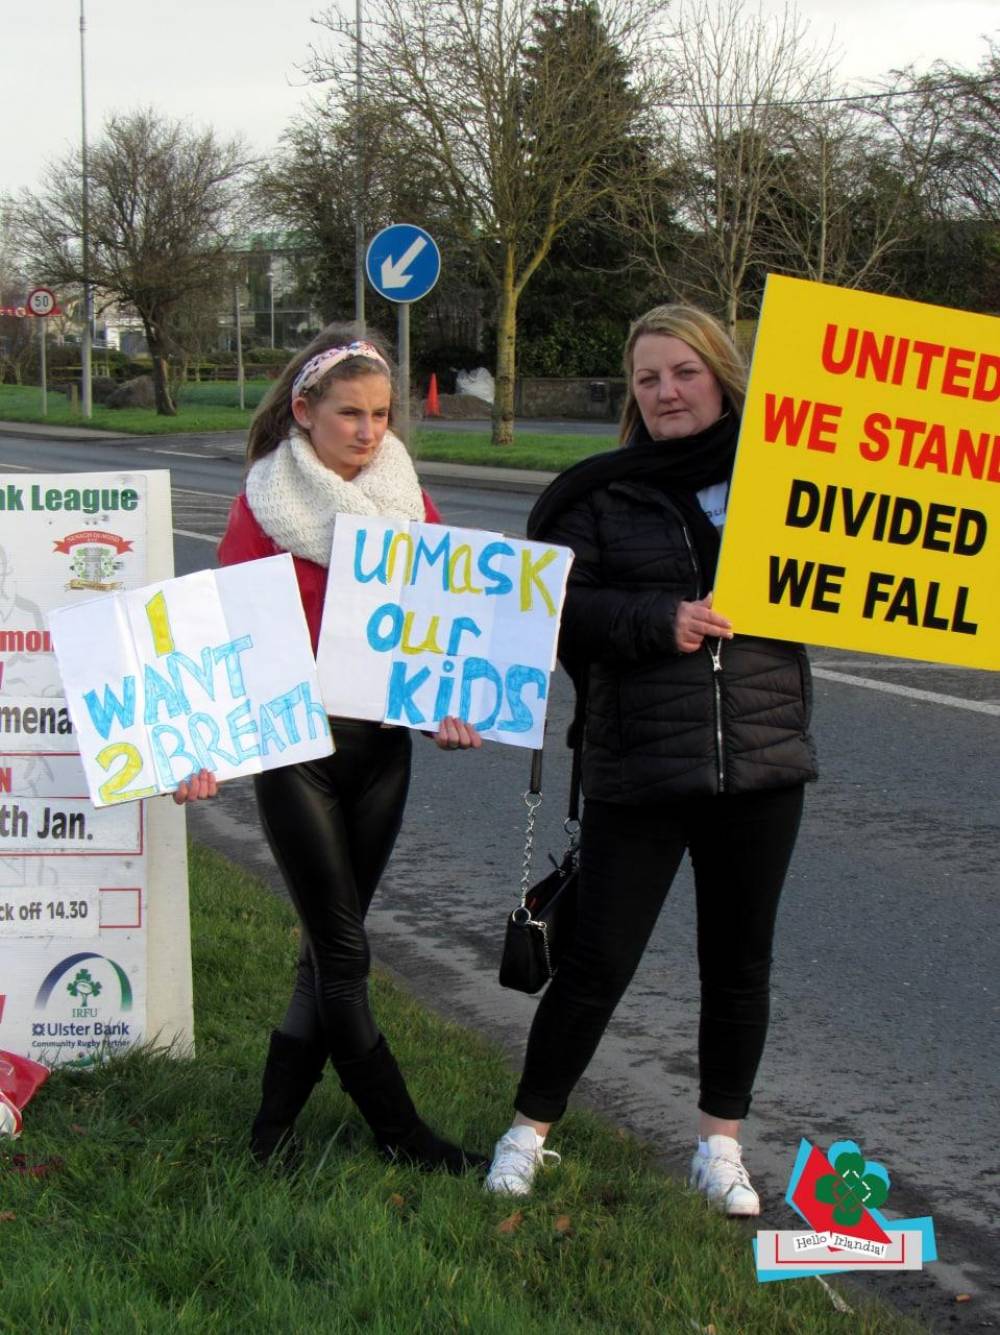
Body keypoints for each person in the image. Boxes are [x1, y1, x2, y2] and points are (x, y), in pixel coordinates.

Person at [485, 305, 817, 1214]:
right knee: (597, 961)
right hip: (639, 762)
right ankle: (527, 1132)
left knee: (740, 964)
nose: (667, 392)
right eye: (647, 378)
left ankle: (721, 1146)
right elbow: (552, 607)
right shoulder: (597, 493)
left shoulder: (788, 478)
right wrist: (656, 621)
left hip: (762, 757)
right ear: (631, 394)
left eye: (685, 372)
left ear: (722, 376)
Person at [181, 323, 485, 1174]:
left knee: (328, 946)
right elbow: (225, 633)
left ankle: (269, 1135)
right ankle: (402, 1133)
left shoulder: (405, 495)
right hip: (297, 751)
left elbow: (436, 622)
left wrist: (446, 707)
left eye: (382, 414)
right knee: (346, 952)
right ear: (304, 410)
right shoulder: (265, 500)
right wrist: (202, 743)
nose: (368, 431)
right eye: (350, 413)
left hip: (383, 748)